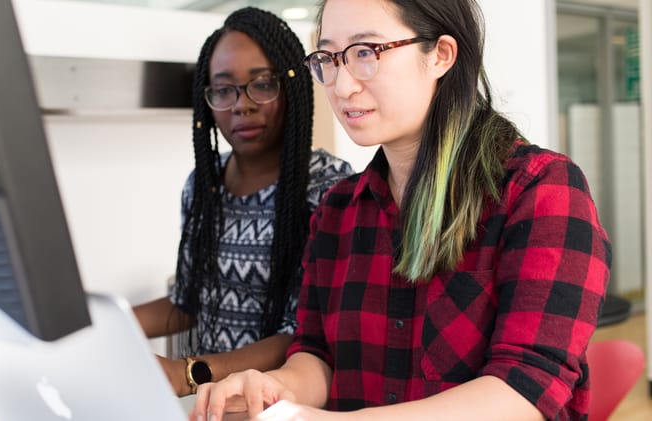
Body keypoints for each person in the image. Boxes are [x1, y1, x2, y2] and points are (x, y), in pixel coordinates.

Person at [190, 0, 611, 420]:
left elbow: (525, 389)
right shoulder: (338, 210)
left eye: (365, 53)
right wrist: (277, 388)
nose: (342, 86)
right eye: (329, 58)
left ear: (441, 55)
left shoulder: (540, 189)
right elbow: (317, 355)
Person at [133, 7, 354, 397]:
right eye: (223, 89)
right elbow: (188, 301)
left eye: (262, 84)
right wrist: (104, 326)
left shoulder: (328, 188)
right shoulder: (204, 185)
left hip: (281, 404)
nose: (242, 104)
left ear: (291, 88)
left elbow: (304, 334)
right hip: (212, 404)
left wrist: (188, 374)